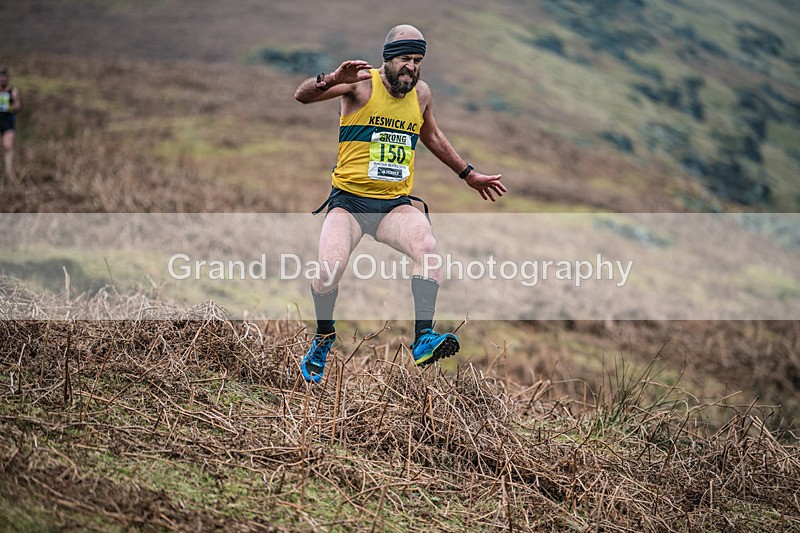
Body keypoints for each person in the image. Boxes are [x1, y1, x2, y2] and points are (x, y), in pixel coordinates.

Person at [293, 24, 506, 383]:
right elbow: (301, 96)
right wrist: (330, 78)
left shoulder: (421, 94)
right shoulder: (360, 83)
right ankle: (323, 338)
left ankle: (423, 338)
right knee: (328, 271)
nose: (412, 67)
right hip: (349, 204)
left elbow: (432, 134)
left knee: (428, 246)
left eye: (418, 60)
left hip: (394, 206)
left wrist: (468, 174)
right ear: (388, 59)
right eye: (405, 59)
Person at [0, 67, 21, 182]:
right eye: (0, 77)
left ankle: (8, 173)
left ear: (8, 79)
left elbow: (18, 106)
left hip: (8, 121)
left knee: (7, 146)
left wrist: (14, 104)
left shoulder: (13, 91)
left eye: (4, 77)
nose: (2, 79)